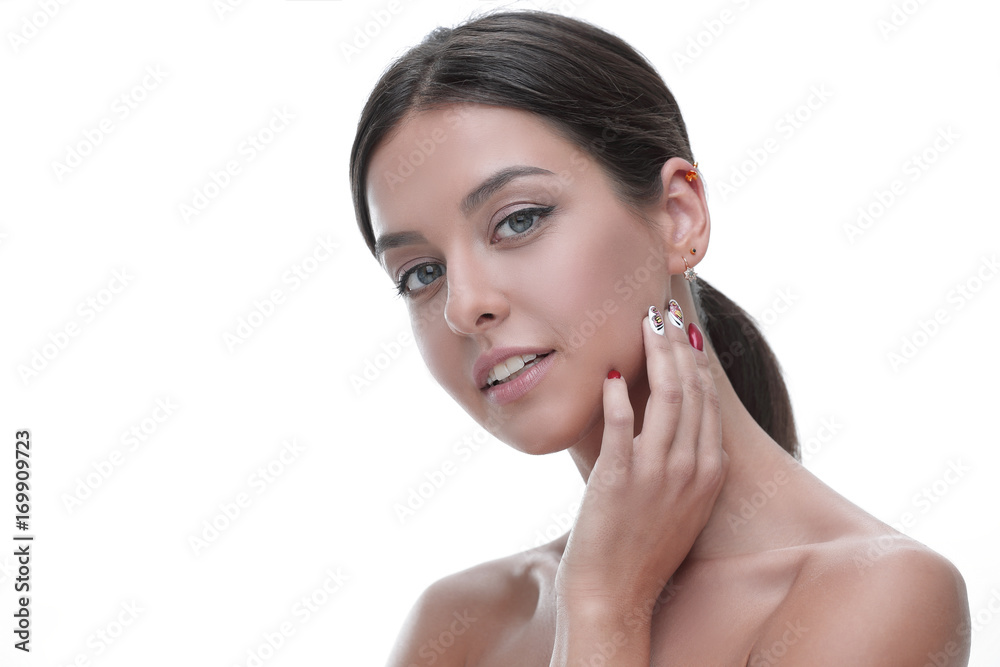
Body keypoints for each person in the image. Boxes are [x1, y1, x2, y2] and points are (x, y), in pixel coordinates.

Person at [349, 9, 971, 666]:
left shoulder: (878, 594)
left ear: (678, 217)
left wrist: (602, 608)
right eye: (421, 272)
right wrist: (602, 599)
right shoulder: (460, 624)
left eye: (519, 219)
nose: (465, 305)